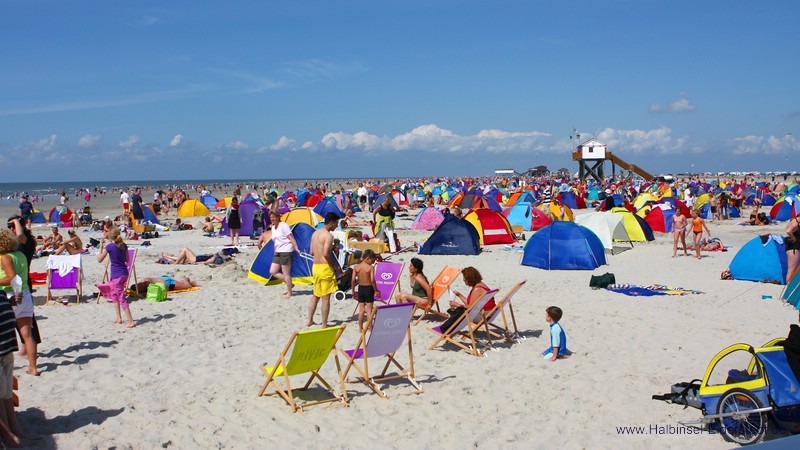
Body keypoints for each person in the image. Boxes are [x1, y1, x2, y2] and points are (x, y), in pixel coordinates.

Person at [0, 230, 38, 375]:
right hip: (25, 294)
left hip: (11, 295)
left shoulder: (6, 257)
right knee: (27, 335)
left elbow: (12, 277)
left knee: (5, 334)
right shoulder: (20, 255)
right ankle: (33, 367)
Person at [307, 213, 340, 328]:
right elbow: (326, 253)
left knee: (316, 295)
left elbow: (311, 252)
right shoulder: (328, 235)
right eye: (336, 224)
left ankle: (309, 320)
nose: (336, 226)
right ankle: (324, 324)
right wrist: (334, 266)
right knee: (326, 298)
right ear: (331, 223)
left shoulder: (315, 233)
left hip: (315, 267)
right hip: (325, 267)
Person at [97, 227, 134, 328]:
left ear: (110, 236)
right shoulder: (123, 246)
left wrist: (100, 247)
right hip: (123, 273)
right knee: (114, 294)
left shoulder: (110, 247)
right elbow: (127, 259)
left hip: (117, 274)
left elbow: (99, 259)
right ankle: (118, 317)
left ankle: (130, 321)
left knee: (121, 297)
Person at [0, 291, 22, 446]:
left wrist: (12, 301)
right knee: (1, 395)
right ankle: (7, 434)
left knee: (7, 393)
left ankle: (15, 428)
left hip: (7, 346)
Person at [268, 211, 300, 298]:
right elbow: (275, 241)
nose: (272, 219)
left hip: (286, 250)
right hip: (278, 251)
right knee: (273, 271)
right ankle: (290, 283)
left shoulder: (283, 225)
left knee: (286, 273)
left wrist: (296, 248)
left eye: (274, 217)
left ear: (278, 217)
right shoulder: (273, 228)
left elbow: (290, 237)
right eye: (271, 217)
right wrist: (275, 251)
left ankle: (289, 292)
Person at [351, 250, 379, 332]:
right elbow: (372, 280)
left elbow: (353, 280)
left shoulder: (356, 267)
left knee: (361, 310)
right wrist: (376, 290)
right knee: (369, 310)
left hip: (361, 288)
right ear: (368, 258)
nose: (373, 263)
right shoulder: (370, 268)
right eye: (372, 261)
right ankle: (370, 327)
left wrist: (353, 290)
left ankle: (360, 328)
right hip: (368, 288)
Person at [132, 276, 199, 294]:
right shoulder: (142, 284)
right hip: (164, 280)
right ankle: (192, 283)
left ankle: (185, 279)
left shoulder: (145, 282)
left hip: (169, 283)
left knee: (188, 287)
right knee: (187, 285)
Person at [785, 215, 800, 281]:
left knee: (792, 269)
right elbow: (788, 231)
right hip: (793, 249)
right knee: (791, 270)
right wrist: (794, 239)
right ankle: (788, 286)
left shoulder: (794, 221)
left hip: (792, 248)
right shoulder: (795, 223)